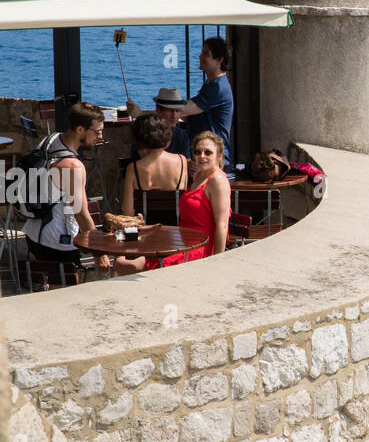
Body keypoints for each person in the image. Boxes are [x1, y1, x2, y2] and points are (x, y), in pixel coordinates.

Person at [115, 131, 231, 275]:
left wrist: (217, 261)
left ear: (219, 155)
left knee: (125, 265)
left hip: (199, 249)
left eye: (208, 153)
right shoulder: (199, 176)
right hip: (182, 243)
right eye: (197, 152)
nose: (201, 156)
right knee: (122, 261)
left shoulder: (217, 180)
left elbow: (222, 225)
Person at [22, 102, 111, 274]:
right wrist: (99, 253)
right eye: (97, 131)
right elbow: (81, 213)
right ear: (80, 129)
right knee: (67, 293)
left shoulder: (50, 140)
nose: (100, 136)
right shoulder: (72, 166)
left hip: (34, 232)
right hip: (57, 241)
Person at [128, 39, 234, 169]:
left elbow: (181, 110)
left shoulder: (218, 88)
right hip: (206, 155)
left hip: (213, 158)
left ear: (219, 60)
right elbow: (189, 116)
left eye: (206, 54)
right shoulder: (211, 85)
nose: (200, 56)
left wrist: (141, 113)